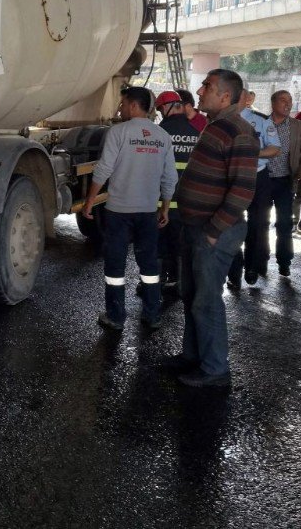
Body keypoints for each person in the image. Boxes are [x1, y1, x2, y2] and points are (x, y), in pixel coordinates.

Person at [162, 69, 257, 387]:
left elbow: (243, 189)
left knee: (206, 300)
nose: (200, 91)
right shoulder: (215, 126)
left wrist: (215, 230)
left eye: (207, 86)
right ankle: (193, 356)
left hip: (212, 231)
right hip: (194, 227)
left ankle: (215, 369)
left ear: (226, 96)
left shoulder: (239, 131)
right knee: (190, 294)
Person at [82, 86, 178, 331]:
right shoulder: (162, 136)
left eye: (123, 103)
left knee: (115, 266)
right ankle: (152, 314)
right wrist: (165, 207)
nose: (120, 108)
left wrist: (90, 201)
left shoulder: (118, 132)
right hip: (147, 211)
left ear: (134, 105)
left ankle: (116, 317)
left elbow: (103, 169)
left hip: (118, 212)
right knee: (149, 266)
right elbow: (170, 176)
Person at [227, 89, 281, 287]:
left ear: (248, 99)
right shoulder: (223, 120)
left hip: (258, 177)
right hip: (231, 178)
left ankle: (252, 267)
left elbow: (275, 147)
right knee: (231, 223)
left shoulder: (261, 120)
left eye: (243, 96)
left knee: (258, 224)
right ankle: (234, 270)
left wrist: (252, 154)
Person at [155, 90, 202, 293]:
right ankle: (177, 280)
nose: (160, 112)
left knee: (157, 245)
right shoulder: (197, 133)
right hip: (186, 204)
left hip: (161, 204)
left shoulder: (159, 134)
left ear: (168, 107)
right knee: (180, 245)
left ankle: (153, 281)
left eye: (160, 108)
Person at [265, 90, 301, 277]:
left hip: (285, 181)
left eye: (290, 100)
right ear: (273, 103)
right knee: (259, 222)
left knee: (284, 223)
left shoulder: (298, 126)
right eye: (283, 100)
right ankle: (257, 261)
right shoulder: (261, 124)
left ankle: (284, 261)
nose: (288, 104)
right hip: (262, 180)